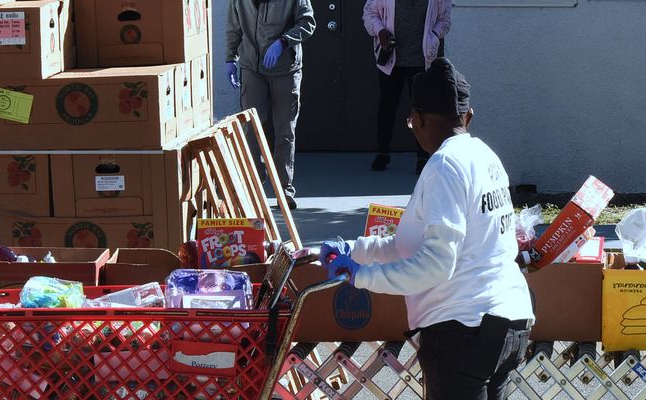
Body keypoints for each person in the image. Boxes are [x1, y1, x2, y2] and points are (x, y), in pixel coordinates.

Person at [320, 58, 533, 400]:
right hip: (509, 323)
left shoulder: (444, 166)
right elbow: (409, 243)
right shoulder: (485, 156)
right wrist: (353, 251)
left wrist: (362, 277)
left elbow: (435, 264)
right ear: (468, 117)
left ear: (416, 119)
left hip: (463, 331)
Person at [225, 0, 315, 209]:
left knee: (285, 129)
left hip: (285, 69)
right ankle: (253, 185)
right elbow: (234, 26)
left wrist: (284, 42)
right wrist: (230, 58)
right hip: (251, 68)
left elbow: (308, 22)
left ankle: (284, 189)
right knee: (251, 127)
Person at [362, 0, 452, 173]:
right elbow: (369, 14)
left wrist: (433, 34)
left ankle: (423, 156)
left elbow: (445, 19)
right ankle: (382, 153)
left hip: (423, 60)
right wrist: (380, 30)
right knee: (387, 106)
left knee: (422, 110)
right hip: (391, 60)